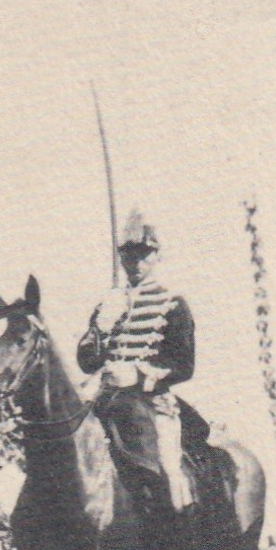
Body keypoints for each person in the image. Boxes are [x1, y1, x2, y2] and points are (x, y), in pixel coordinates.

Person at [77, 209, 196, 517]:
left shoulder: (171, 303)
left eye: (143, 255)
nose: (136, 263)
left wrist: (141, 373)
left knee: (166, 470)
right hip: (103, 396)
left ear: (157, 256)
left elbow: (184, 364)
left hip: (149, 401)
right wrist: (100, 330)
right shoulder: (108, 305)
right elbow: (87, 362)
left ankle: (175, 544)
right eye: (129, 257)